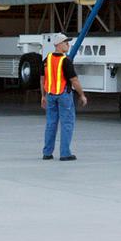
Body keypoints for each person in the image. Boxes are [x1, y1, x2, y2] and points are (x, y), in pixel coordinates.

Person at [40, 33, 87, 161]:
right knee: (67, 124)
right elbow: (74, 80)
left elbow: (43, 78)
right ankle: (65, 153)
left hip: (50, 95)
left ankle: (47, 153)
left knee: (51, 123)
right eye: (66, 43)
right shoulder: (65, 61)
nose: (68, 45)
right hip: (63, 95)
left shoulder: (47, 59)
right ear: (59, 45)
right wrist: (82, 95)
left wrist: (43, 95)